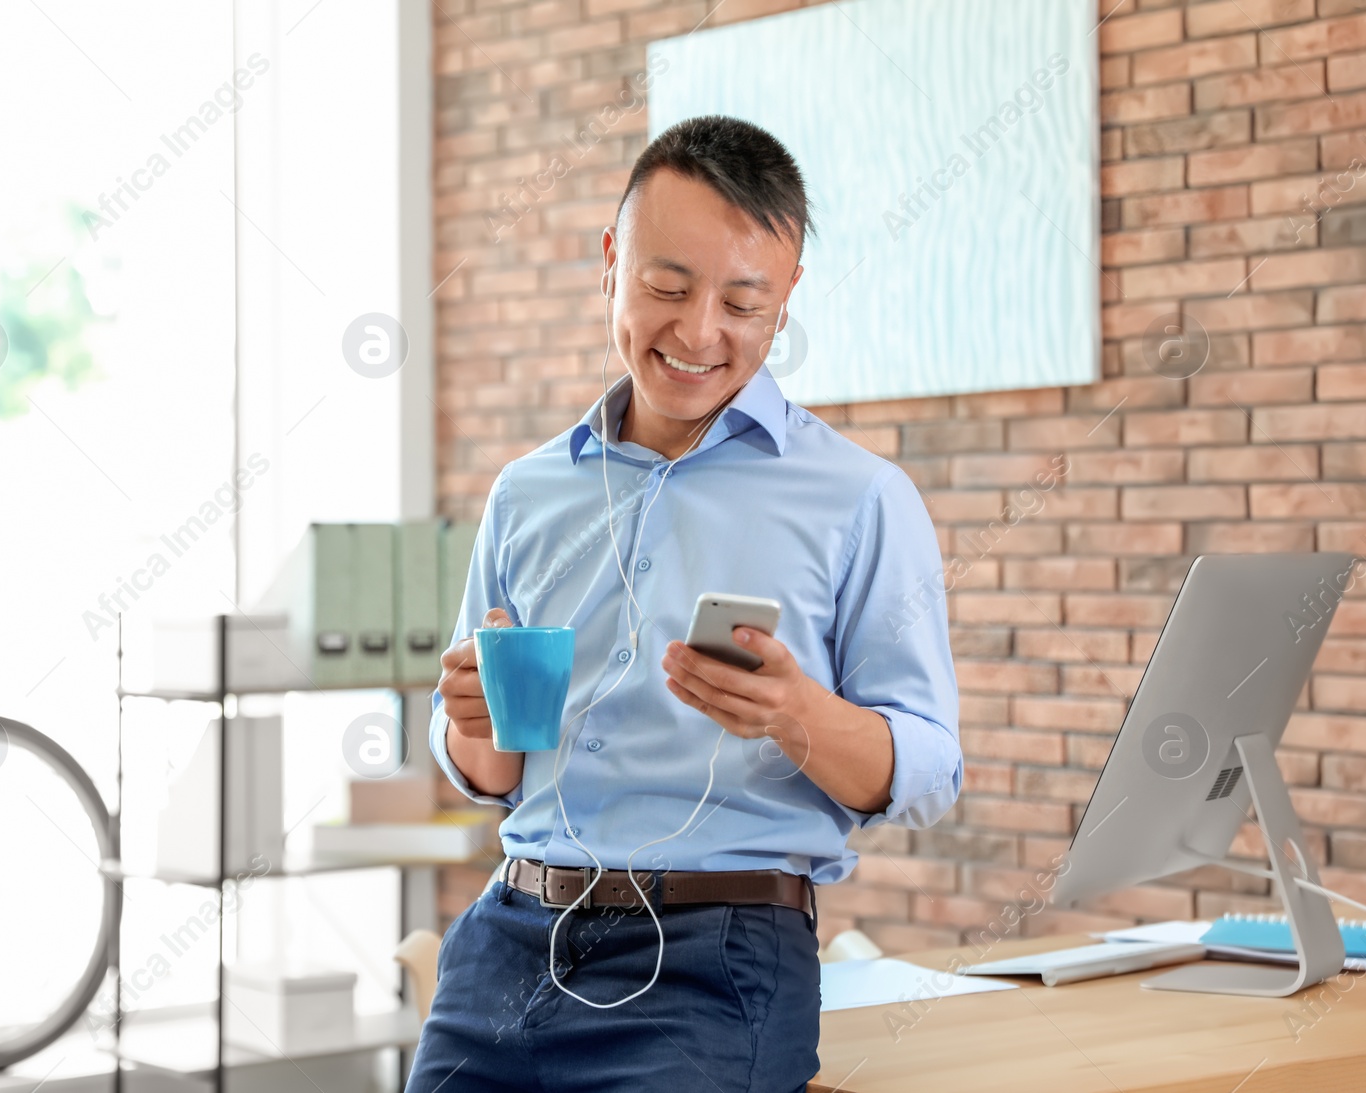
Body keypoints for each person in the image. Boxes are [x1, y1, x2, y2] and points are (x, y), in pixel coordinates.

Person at [407, 114, 961, 1093]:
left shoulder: (860, 499)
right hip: (507, 940)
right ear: (612, 260)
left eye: (743, 301)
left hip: (717, 958)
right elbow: (490, 771)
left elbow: (926, 772)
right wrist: (468, 725)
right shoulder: (528, 492)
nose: (700, 331)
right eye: (667, 286)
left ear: (784, 302)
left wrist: (796, 715)